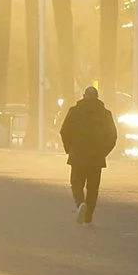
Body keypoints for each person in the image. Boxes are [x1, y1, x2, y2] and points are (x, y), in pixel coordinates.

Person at [58, 85, 117, 225]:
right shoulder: (105, 113)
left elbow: (64, 131)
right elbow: (113, 136)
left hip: (78, 153)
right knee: (93, 187)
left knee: (76, 183)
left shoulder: (74, 111)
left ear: (84, 96)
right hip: (96, 156)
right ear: (97, 97)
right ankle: (88, 217)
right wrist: (104, 151)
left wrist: (69, 148)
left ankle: (80, 204)